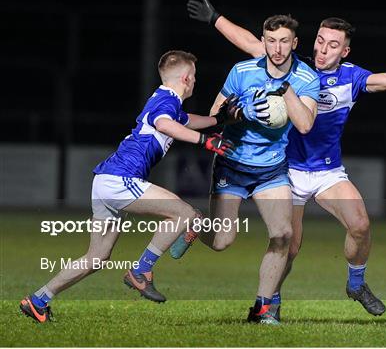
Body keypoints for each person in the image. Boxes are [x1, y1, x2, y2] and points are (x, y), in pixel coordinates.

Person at [176, 0, 386, 321]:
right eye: (319, 41)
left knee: (360, 225)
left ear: (344, 51)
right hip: (288, 171)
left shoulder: (351, 78)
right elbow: (250, 42)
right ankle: (271, 302)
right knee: (290, 246)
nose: (322, 49)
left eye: (332, 45)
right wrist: (215, 17)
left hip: (328, 171)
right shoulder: (292, 66)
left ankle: (356, 284)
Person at [20, 50, 239, 323]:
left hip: (104, 182)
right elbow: (165, 124)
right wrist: (205, 142)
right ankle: (141, 271)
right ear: (186, 77)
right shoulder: (167, 102)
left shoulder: (166, 101)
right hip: (120, 180)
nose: (195, 81)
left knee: (97, 257)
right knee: (183, 213)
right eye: (194, 76)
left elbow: (187, 121)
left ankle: (38, 300)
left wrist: (220, 120)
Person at [172, 14, 320, 324]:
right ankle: (196, 226)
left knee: (283, 234)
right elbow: (215, 115)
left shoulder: (307, 78)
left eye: (283, 41)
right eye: (270, 41)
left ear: (294, 43)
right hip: (233, 162)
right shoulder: (242, 71)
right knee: (223, 241)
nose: (276, 48)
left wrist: (286, 90)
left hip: (271, 168)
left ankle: (262, 308)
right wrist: (239, 110)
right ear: (263, 41)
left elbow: (305, 124)